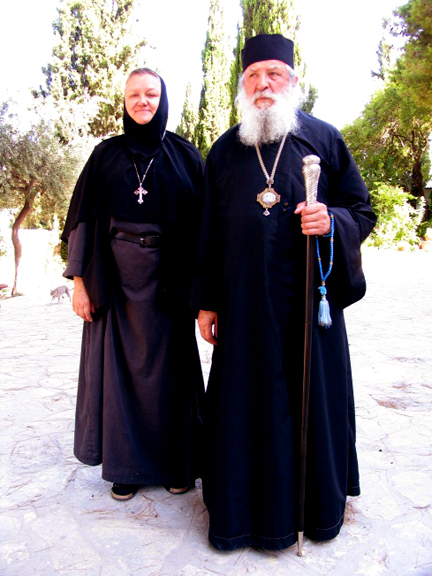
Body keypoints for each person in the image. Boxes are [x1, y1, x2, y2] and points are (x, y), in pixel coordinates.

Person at [195, 34, 376, 551]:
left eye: (274, 73)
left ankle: (314, 511)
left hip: (308, 310)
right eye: (253, 76)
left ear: (293, 81)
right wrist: (206, 302)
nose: (263, 84)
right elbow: (207, 233)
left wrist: (331, 221)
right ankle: (240, 517)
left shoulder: (323, 140)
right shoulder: (224, 151)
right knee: (243, 404)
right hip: (242, 306)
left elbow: (361, 212)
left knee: (309, 399)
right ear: (242, 86)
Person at [62, 68, 204, 501]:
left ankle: (175, 464)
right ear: (124, 102)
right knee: (119, 376)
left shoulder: (185, 156)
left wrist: (204, 291)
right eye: (134, 95)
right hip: (115, 281)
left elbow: (205, 228)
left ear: (163, 100)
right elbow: (82, 221)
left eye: (151, 94)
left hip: (169, 283)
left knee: (169, 377)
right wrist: (79, 282)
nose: (143, 102)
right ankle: (125, 467)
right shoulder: (105, 155)